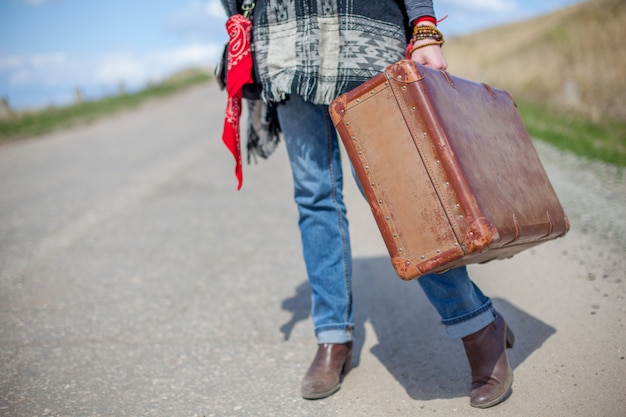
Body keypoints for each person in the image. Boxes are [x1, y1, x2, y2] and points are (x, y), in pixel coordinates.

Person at [220, 0, 514, 409]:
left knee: (401, 198)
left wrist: (424, 26)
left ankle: (477, 324)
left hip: (364, 37)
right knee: (314, 196)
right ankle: (332, 336)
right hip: (286, 49)